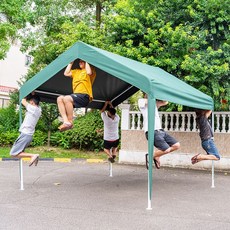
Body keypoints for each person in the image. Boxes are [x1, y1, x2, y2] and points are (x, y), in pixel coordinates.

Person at [138, 94, 180, 169]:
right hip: (152, 131)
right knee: (167, 149)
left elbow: (165, 102)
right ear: (145, 94)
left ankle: (156, 156)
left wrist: (159, 94)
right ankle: (151, 156)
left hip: (161, 131)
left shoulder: (154, 103)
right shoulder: (141, 101)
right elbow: (148, 101)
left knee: (176, 145)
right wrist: (152, 95)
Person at [57, 60, 96, 131]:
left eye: (82, 61)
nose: (80, 62)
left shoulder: (90, 71)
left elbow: (89, 72)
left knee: (66, 98)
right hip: (76, 96)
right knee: (59, 98)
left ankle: (70, 121)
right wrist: (71, 62)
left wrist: (86, 60)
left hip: (85, 96)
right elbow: (66, 73)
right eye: (79, 62)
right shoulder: (76, 71)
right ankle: (66, 121)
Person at [10, 94, 42, 166]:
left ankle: (33, 155)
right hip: (28, 136)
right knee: (19, 153)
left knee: (13, 153)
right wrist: (33, 94)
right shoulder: (39, 110)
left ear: (32, 103)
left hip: (25, 134)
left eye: (30, 102)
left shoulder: (33, 108)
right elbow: (35, 102)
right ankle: (33, 156)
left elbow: (23, 101)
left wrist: (25, 93)